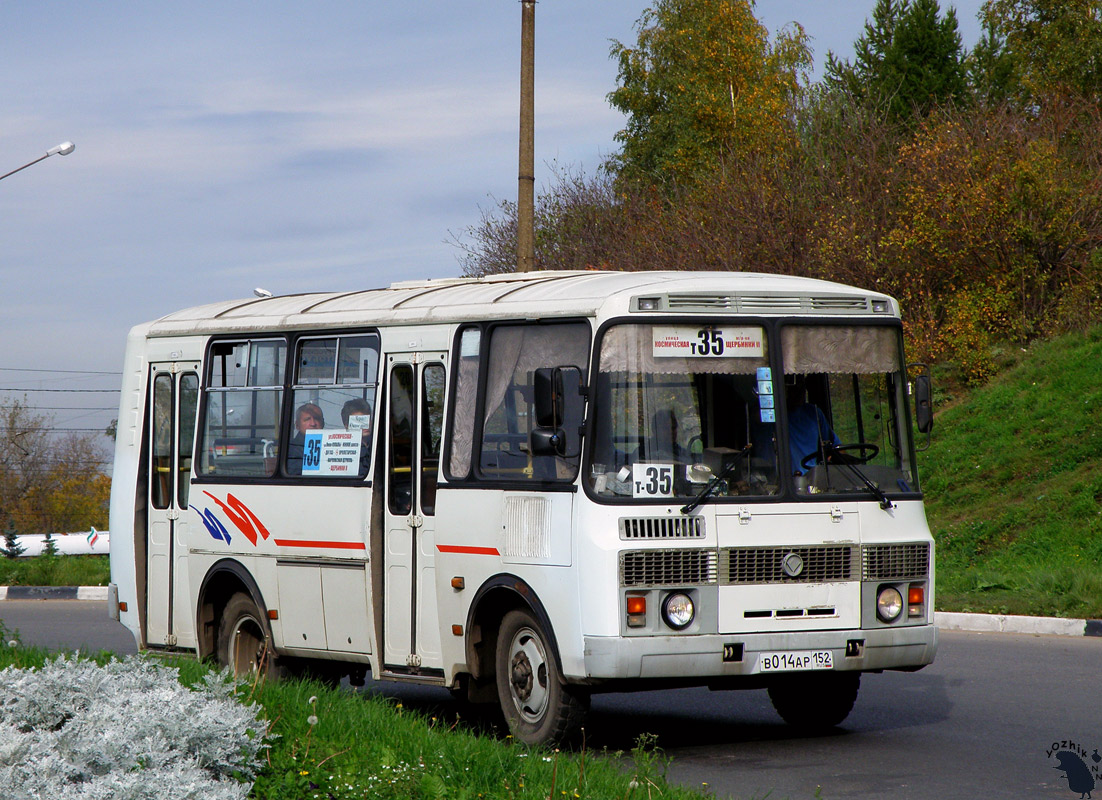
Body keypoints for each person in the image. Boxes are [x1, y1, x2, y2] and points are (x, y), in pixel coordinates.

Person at [786, 376, 839, 475]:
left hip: (811, 482)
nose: (800, 389)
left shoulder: (814, 413)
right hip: (780, 485)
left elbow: (836, 448)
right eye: (793, 384)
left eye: (801, 383)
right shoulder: (765, 418)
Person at [286, 402, 324, 475]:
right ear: (297, 425)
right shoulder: (291, 449)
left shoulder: (330, 445)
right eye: (307, 419)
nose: (313, 423)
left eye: (316, 419)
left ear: (323, 423)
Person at [341, 397, 373, 476]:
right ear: (347, 426)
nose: (366, 425)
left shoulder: (380, 446)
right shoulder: (342, 452)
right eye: (359, 421)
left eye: (367, 419)